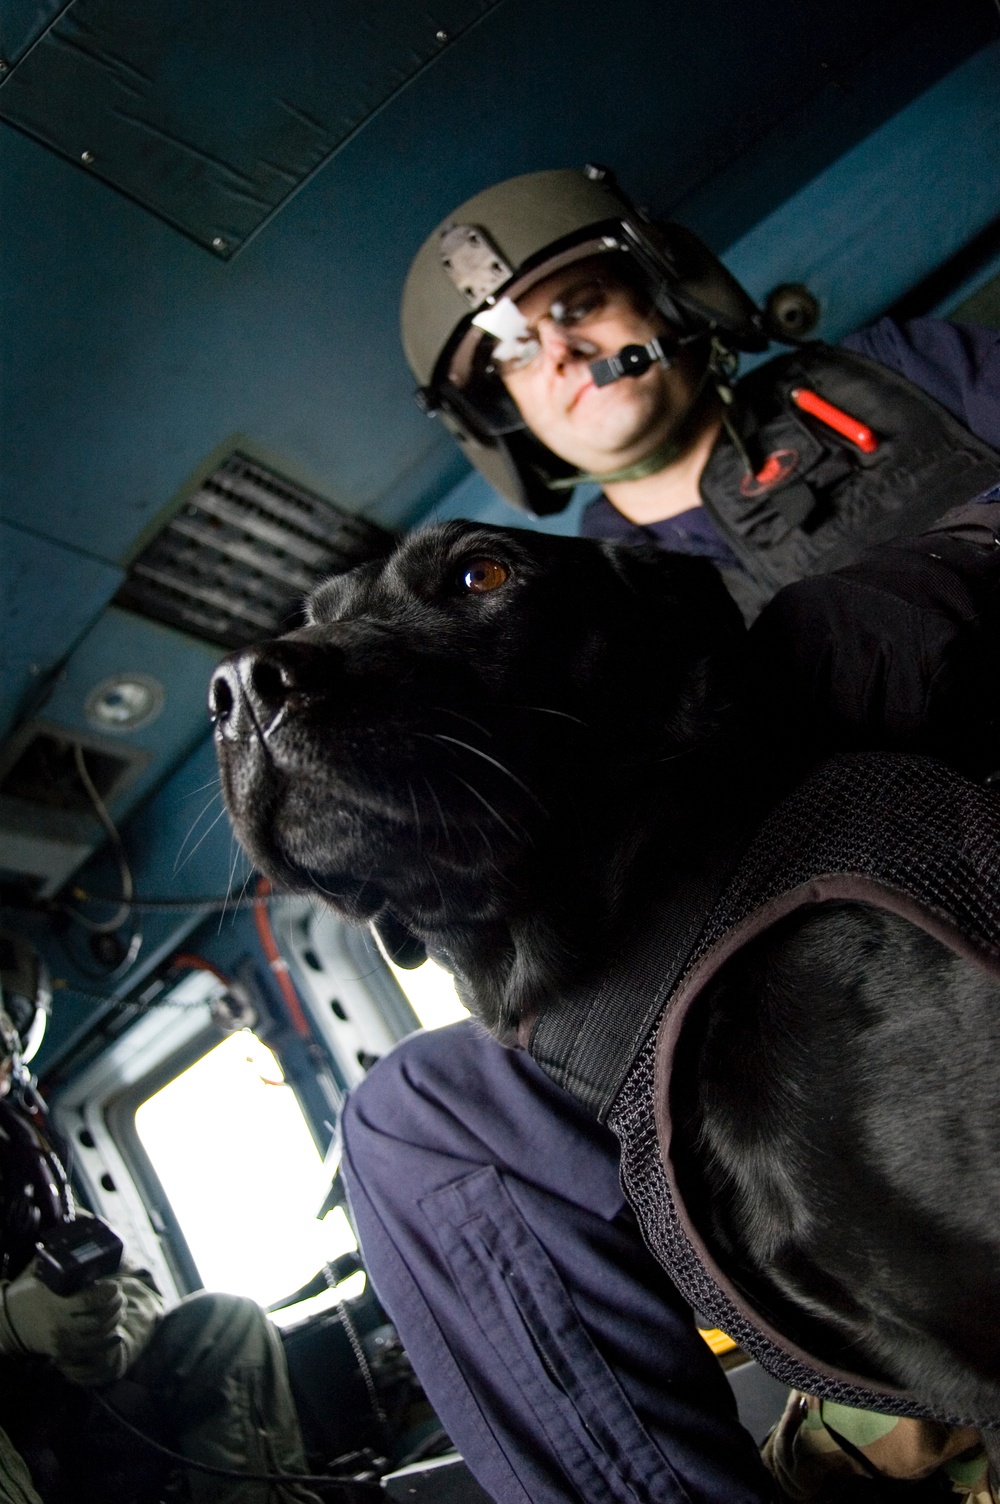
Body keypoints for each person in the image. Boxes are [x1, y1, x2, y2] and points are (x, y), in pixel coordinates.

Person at [338, 167, 1000, 1504]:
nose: (561, 351)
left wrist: (924, 599)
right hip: (731, 1018)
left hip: (955, 853)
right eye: (515, 354)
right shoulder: (537, 606)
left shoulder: (884, 384)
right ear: (505, 418)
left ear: (665, 294)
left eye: (576, 303)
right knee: (411, 1119)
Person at [0, 929, 322, 1504]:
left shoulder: (30, 1148)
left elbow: (126, 1270)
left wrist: (119, 1326)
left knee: (225, 1324)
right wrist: (12, 1321)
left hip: (72, 1397)